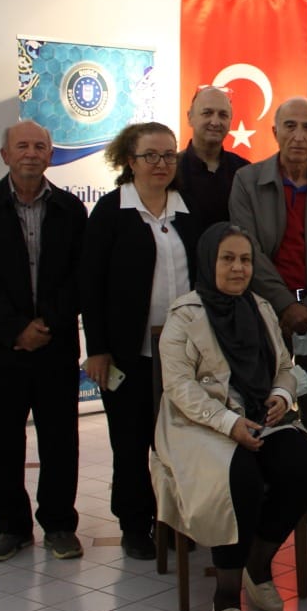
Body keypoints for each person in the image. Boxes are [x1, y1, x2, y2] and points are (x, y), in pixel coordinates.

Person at [154, 224, 307, 611]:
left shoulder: (261, 308)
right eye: (227, 259)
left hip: (260, 418)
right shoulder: (184, 315)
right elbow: (179, 387)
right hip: (200, 425)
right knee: (238, 477)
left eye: (245, 260)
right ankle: (227, 593)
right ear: (208, 261)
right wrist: (228, 423)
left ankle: (258, 564)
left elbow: (283, 367)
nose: (238, 268)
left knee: (306, 465)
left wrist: (281, 395)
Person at [0, 121, 87, 562]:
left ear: (50, 155)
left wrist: (46, 324)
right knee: (2, 439)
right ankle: (10, 527)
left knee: (60, 438)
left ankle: (59, 524)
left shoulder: (71, 209)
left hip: (55, 344)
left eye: (39, 146)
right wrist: (16, 329)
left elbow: (79, 276)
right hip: (1, 347)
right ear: (5, 155)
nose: (31, 153)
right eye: (22, 146)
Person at [228, 97, 307, 533]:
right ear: (275, 132)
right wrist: (286, 305)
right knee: (263, 406)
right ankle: (266, 497)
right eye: (290, 126)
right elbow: (247, 249)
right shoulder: (247, 181)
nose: (299, 135)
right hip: (265, 314)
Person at [80, 122, 201, 559]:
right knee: (130, 445)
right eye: (150, 155)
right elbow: (90, 284)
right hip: (128, 353)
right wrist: (97, 349)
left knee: (180, 442)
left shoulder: (189, 210)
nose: (161, 164)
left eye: (169, 155)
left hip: (184, 355)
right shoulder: (111, 211)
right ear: (129, 161)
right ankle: (134, 525)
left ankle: (177, 521)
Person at [176, 84, 249, 227]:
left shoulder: (244, 172)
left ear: (230, 121)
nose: (215, 122)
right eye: (207, 113)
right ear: (190, 117)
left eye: (223, 115)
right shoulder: (170, 170)